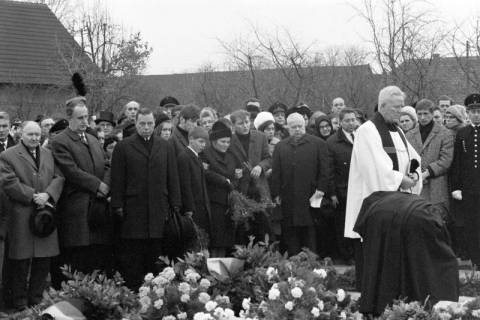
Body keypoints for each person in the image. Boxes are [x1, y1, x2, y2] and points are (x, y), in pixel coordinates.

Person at [344, 86, 422, 290]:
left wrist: (414, 173)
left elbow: (413, 157)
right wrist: (400, 179)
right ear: (383, 105)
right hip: (373, 207)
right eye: (396, 107)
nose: (401, 111)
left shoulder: (397, 131)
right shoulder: (367, 131)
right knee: (374, 260)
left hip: (395, 205)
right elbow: (374, 169)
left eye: (402, 107)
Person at [110, 108, 182, 289]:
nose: (146, 127)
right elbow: (117, 179)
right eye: (142, 124)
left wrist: (175, 204)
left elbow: (172, 176)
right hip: (134, 211)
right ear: (136, 124)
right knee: (134, 259)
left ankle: (156, 295)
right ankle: (135, 293)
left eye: (150, 124)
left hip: (159, 209)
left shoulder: (165, 145)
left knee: (156, 256)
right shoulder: (124, 146)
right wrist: (118, 206)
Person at [0, 121, 64, 310]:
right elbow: (8, 181)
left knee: (43, 261)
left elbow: (59, 177)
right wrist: (33, 196)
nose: (35, 138)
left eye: (37, 134)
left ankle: (36, 300)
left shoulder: (48, 154)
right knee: (20, 262)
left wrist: (48, 194)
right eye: (30, 135)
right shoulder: (7, 155)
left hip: (45, 216)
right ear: (21, 135)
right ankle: (19, 303)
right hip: (22, 215)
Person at [50, 96, 111, 284]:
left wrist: (106, 185)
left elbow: (107, 164)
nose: (85, 121)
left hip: (98, 209)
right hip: (78, 209)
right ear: (70, 118)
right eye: (80, 118)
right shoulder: (60, 141)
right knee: (79, 260)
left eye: (86, 117)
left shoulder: (93, 139)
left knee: (97, 259)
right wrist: (97, 185)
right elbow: (71, 171)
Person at [271, 113, 329, 255]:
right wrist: (276, 193)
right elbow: (276, 172)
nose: (297, 130)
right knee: (291, 231)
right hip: (289, 196)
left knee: (310, 231)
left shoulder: (318, 144)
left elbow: (325, 170)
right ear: (287, 128)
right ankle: (293, 263)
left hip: (311, 195)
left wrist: (321, 189)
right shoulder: (280, 146)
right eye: (293, 127)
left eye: (300, 126)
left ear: (305, 125)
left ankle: (312, 262)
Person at [229, 110, 272, 242]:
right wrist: (234, 173)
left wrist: (260, 166)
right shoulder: (230, 140)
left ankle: (265, 255)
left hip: (259, 188)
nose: (245, 126)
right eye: (241, 123)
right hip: (241, 189)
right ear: (233, 125)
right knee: (243, 227)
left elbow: (269, 159)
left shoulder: (260, 137)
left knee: (263, 225)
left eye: (247, 122)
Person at [406, 99, 453, 209]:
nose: (422, 117)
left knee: (437, 220)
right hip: (415, 187)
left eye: (426, 114)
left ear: (432, 114)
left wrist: (427, 173)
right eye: (419, 114)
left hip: (436, 188)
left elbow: (446, 160)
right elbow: (406, 158)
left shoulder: (445, 133)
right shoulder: (409, 135)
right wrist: (414, 173)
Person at [201, 121, 239, 257]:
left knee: (225, 242)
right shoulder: (205, 154)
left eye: (228, 142)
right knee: (215, 240)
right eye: (223, 142)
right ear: (214, 141)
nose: (226, 145)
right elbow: (205, 173)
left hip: (228, 203)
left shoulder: (231, 155)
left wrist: (235, 178)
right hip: (213, 202)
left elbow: (234, 173)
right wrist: (223, 180)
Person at [451, 93, 480, 267]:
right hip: (469, 189)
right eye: (472, 111)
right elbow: (457, 163)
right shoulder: (462, 133)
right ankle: (475, 259)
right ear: (467, 113)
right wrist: (456, 187)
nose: (476, 114)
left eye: (478, 111)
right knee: (472, 224)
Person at [326, 108, 357, 264]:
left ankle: (357, 252)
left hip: (359, 188)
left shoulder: (361, 137)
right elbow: (329, 170)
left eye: (353, 120)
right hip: (342, 189)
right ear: (340, 122)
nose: (351, 123)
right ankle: (346, 255)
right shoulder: (332, 142)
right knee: (343, 223)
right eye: (347, 120)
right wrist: (332, 193)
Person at [178, 127, 211, 249]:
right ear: (191, 139)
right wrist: (189, 209)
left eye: (205, 142)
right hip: (192, 208)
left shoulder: (196, 157)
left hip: (200, 206)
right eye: (200, 141)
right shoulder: (184, 157)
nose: (204, 145)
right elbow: (185, 185)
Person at [0, 111, 15, 310]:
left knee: (12, 262)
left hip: (15, 211)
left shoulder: (18, 148)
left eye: (4, 126)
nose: (1, 130)